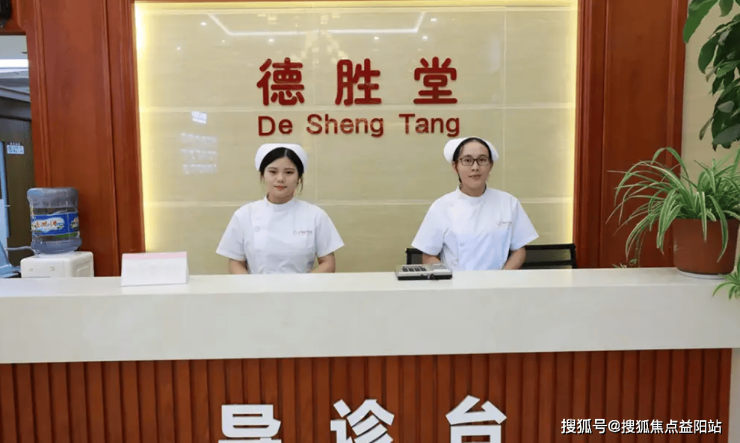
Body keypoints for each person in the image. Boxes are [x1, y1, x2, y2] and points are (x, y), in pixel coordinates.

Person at [411, 136, 538, 270]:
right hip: (456, 282)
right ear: (455, 166)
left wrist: (502, 277)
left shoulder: (509, 203)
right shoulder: (441, 207)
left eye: (482, 160)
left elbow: (519, 250)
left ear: (490, 165)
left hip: (498, 281)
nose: (475, 167)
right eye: (467, 160)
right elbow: (429, 255)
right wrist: (449, 278)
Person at [216, 143, 344, 274]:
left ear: (299, 178)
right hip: (257, 287)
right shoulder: (244, 215)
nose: (280, 179)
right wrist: (252, 286)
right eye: (273, 172)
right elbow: (236, 262)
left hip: (302, 287)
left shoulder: (316, 215)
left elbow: (328, 263)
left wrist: (303, 284)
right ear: (262, 175)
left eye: (289, 172)